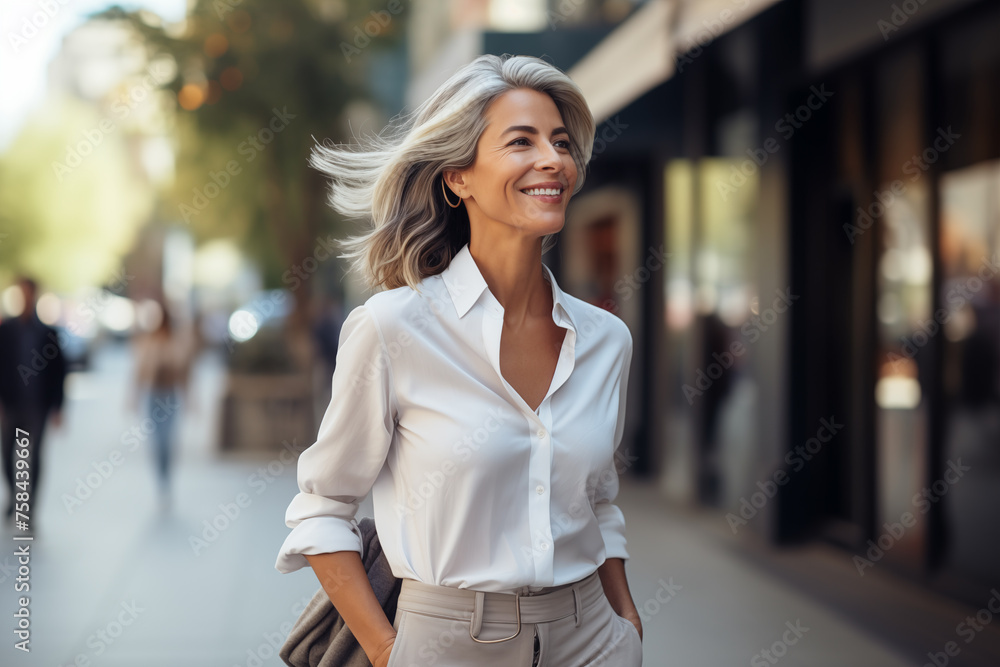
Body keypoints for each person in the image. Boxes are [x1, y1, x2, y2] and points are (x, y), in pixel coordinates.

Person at [275, 54, 642, 666]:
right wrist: (390, 652)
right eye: (520, 142)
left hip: (592, 641)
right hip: (448, 643)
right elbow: (322, 510)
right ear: (458, 178)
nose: (552, 159)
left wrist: (625, 622)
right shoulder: (393, 329)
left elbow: (599, 501)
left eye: (559, 142)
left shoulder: (607, 340)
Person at [0, 276, 67, 528]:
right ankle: (16, 498)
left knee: (33, 457)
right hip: (11, 403)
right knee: (7, 455)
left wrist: (59, 407)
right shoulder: (6, 330)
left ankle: (28, 510)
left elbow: (60, 371)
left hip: (37, 405)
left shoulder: (48, 333)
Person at [129, 302, 193, 508]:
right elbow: (140, 371)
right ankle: (161, 479)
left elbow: (183, 372)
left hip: (170, 396)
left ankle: (166, 478)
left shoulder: (176, 343)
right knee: (156, 442)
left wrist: (189, 398)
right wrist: (134, 397)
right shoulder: (149, 342)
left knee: (167, 441)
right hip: (154, 396)